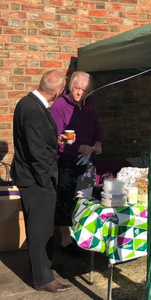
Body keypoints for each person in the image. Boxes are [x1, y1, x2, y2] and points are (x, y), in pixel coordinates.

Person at [11, 70, 72, 293]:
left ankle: (42, 267)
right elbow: (36, 152)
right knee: (40, 229)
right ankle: (43, 279)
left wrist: (53, 138)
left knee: (40, 227)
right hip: (36, 181)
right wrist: (46, 180)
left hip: (32, 177)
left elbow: (34, 140)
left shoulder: (27, 103)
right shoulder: (34, 110)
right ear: (56, 93)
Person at [50, 71, 103, 257]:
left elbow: (97, 128)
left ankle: (82, 236)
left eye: (84, 89)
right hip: (67, 161)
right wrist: (79, 148)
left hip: (88, 161)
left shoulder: (89, 105)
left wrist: (98, 143)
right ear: (69, 86)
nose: (79, 92)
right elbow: (56, 139)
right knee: (65, 200)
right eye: (76, 88)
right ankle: (66, 239)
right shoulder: (59, 106)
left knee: (85, 198)